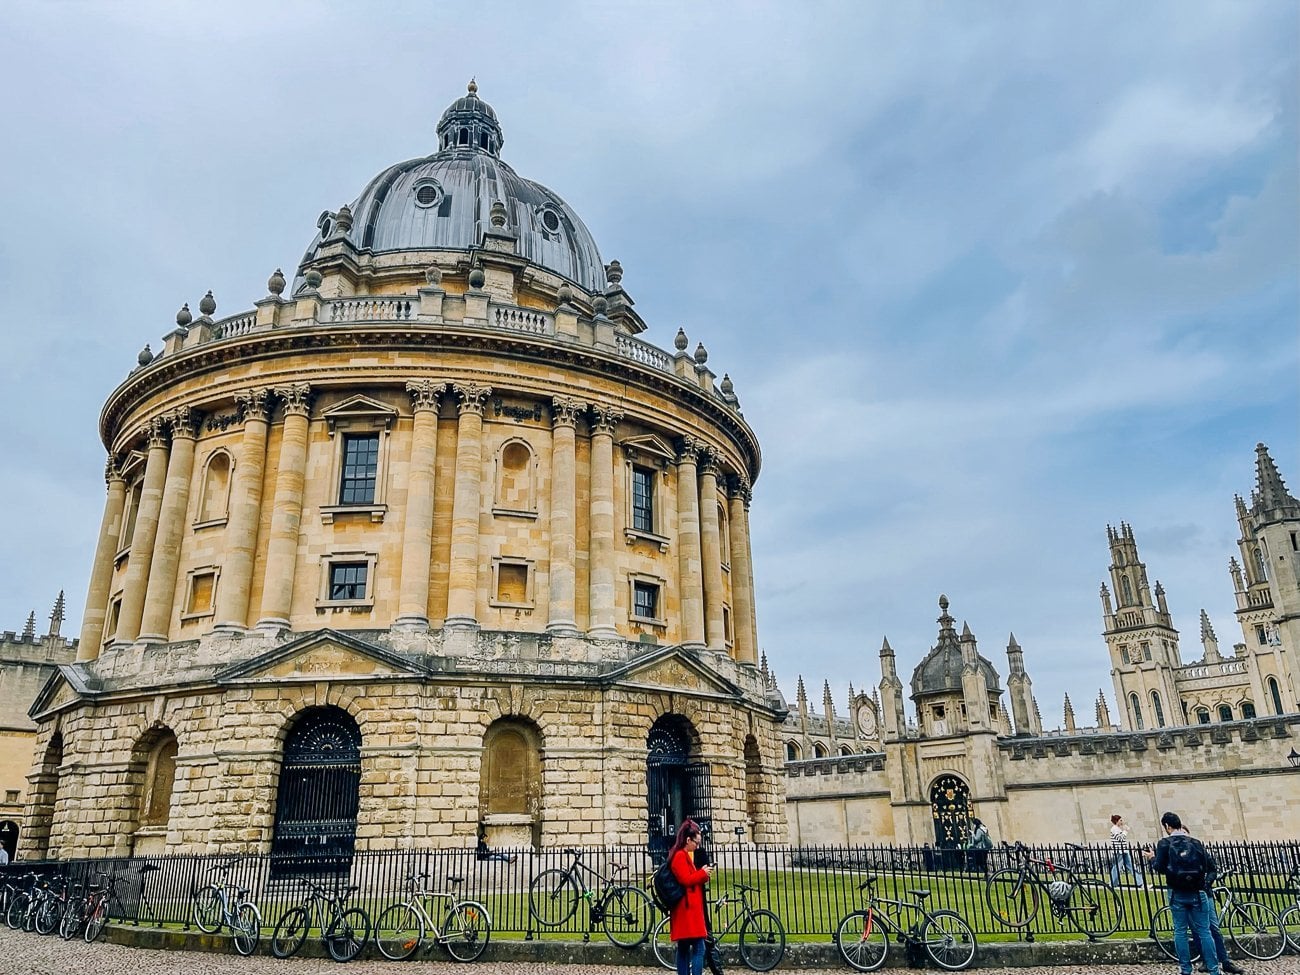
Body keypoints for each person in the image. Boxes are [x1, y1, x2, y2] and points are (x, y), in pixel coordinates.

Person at [1144, 811, 1221, 975]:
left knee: (1180, 931)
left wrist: (1151, 858)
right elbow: (1207, 867)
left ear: (1167, 826)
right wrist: (1203, 883)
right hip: (1198, 892)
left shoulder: (1164, 843)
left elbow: (1160, 868)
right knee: (1205, 931)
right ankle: (1214, 970)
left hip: (1177, 892)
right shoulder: (1195, 842)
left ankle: (1186, 970)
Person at [668, 818, 712, 975]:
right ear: (688, 840)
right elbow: (686, 880)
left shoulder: (683, 855)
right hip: (686, 910)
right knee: (699, 948)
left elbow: (691, 877)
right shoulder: (680, 856)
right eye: (696, 843)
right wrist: (702, 873)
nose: (697, 846)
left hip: (688, 909)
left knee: (684, 948)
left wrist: (703, 874)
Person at [1109, 814, 1144, 888]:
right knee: (1117, 867)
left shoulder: (1118, 829)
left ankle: (1140, 883)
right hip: (1119, 852)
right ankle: (1112, 883)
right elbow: (1120, 839)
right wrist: (1125, 831)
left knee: (1131, 866)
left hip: (1124, 851)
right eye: (1120, 820)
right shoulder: (1114, 829)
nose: (1122, 821)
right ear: (1116, 821)